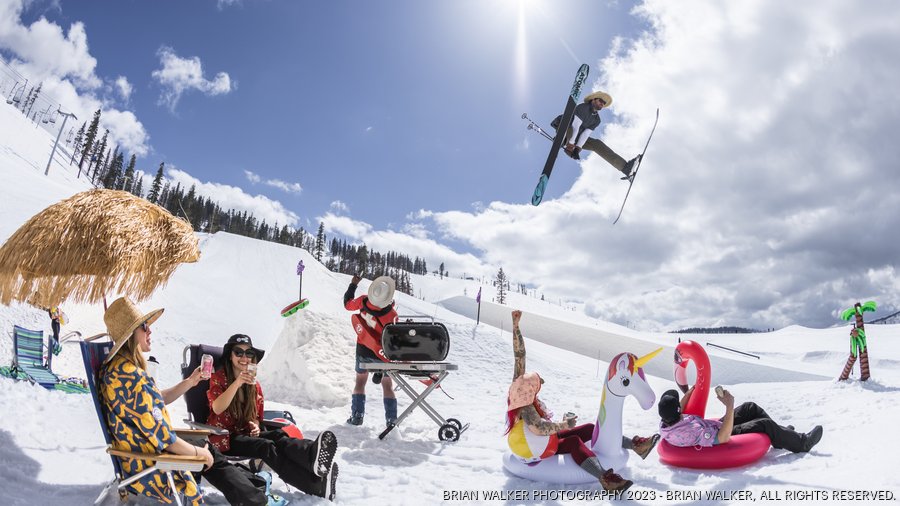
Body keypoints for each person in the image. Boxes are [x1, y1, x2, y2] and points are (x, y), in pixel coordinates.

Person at [100, 297, 272, 506]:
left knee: (206, 446)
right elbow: (163, 438)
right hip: (149, 458)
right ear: (131, 334)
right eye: (145, 326)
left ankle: (253, 493)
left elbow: (155, 400)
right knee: (207, 453)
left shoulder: (121, 370)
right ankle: (256, 499)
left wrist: (191, 382)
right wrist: (199, 454)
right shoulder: (131, 376)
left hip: (143, 447)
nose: (150, 331)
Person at [505, 310, 637, 492]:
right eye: (537, 383)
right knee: (574, 441)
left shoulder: (518, 386)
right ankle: (605, 478)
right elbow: (539, 428)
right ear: (530, 388)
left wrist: (515, 327)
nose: (539, 384)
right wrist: (564, 424)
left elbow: (519, 355)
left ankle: (635, 444)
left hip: (541, 439)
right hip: (537, 448)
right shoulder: (525, 407)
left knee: (590, 428)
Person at [207, 334, 339, 501]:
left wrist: (254, 425)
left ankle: (311, 455)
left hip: (244, 434)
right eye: (238, 352)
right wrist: (237, 383)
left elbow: (255, 415)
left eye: (249, 353)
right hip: (224, 438)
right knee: (265, 446)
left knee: (278, 436)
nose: (244, 357)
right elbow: (217, 408)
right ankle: (312, 485)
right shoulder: (218, 378)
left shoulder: (253, 384)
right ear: (230, 356)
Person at [657, 386, 824, 453]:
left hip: (714, 426)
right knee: (765, 425)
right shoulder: (688, 432)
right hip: (722, 434)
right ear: (677, 412)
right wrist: (729, 406)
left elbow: (679, 406)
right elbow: (722, 438)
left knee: (750, 407)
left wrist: (690, 391)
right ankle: (802, 443)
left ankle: (780, 438)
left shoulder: (667, 420)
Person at [343, 274, 398, 427]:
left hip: (363, 350)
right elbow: (393, 338)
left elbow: (347, 304)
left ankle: (357, 416)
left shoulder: (362, 301)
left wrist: (353, 284)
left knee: (360, 381)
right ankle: (391, 420)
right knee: (387, 386)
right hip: (383, 354)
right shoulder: (392, 314)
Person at [551, 90, 641, 180]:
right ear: (593, 100)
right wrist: (571, 143)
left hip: (576, 136)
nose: (602, 104)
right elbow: (575, 125)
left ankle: (625, 168)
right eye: (600, 101)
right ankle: (563, 140)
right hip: (566, 127)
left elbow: (586, 134)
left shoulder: (597, 120)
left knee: (596, 144)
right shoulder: (583, 107)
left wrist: (578, 148)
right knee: (570, 129)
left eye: (604, 103)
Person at [839, 301, 876, 381]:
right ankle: (843, 377)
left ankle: (846, 377)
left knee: (855, 355)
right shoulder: (854, 335)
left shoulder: (860, 333)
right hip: (855, 346)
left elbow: (861, 335)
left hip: (859, 340)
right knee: (853, 356)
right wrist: (854, 334)